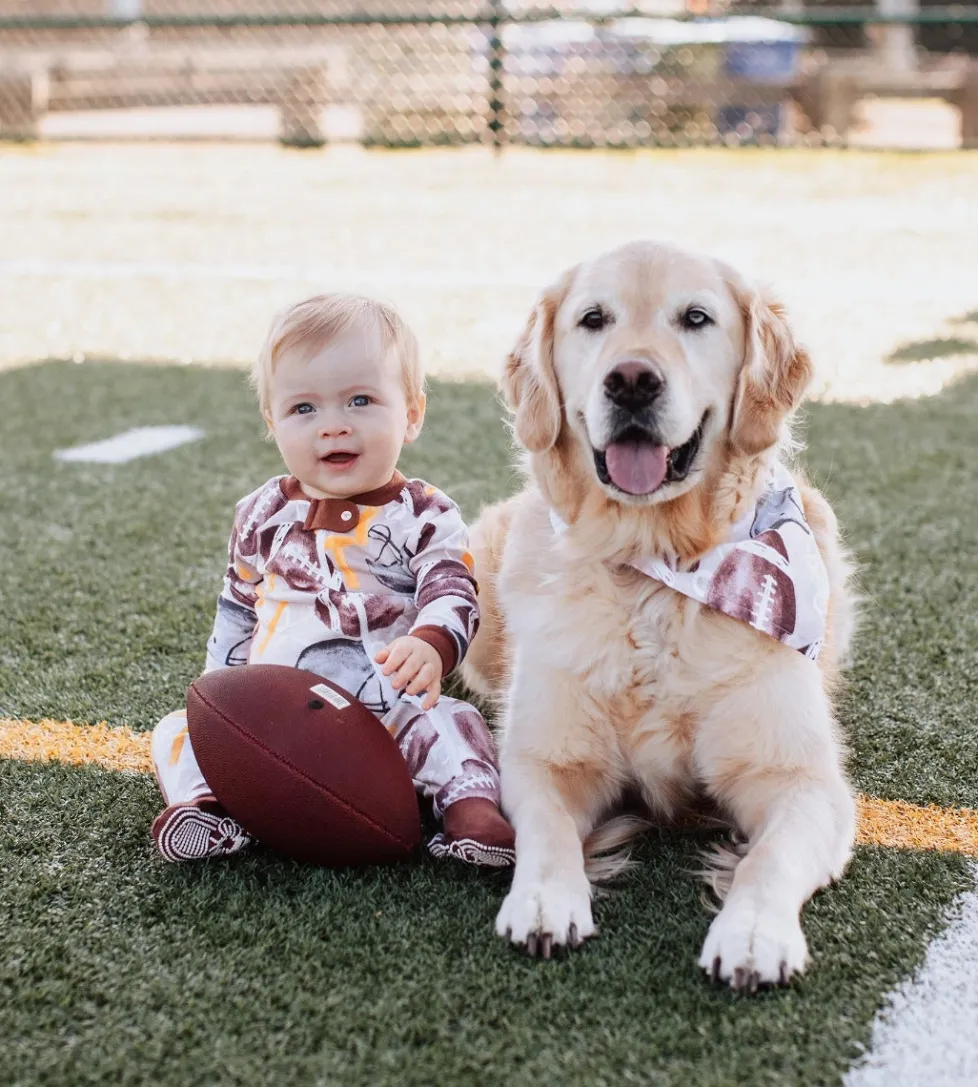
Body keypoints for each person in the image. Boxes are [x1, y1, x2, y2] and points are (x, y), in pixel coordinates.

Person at [150, 293, 515, 867]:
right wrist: (225, 690)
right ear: (272, 422)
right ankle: (209, 807)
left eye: (361, 400)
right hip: (277, 711)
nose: (334, 426)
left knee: (452, 721)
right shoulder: (261, 512)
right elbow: (238, 606)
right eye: (304, 409)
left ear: (412, 414)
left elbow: (453, 589)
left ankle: (471, 811)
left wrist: (430, 644)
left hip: (386, 699)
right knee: (179, 730)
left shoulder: (425, 513)